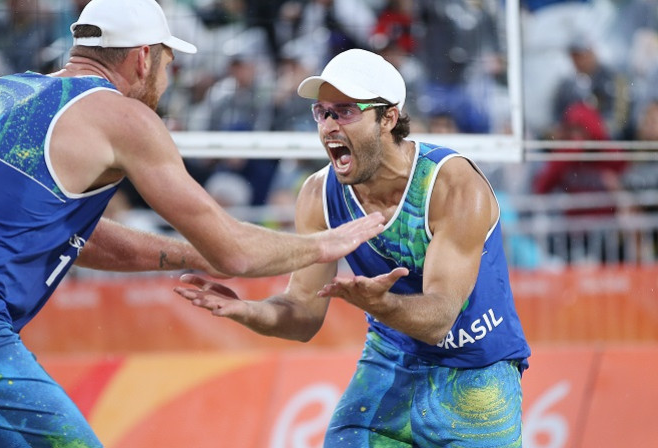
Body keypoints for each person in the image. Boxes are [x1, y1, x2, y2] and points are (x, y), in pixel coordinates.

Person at [0, 0, 386, 446]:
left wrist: (185, 253)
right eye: (167, 62)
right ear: (142, 58)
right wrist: (324, 244)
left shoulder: (2, 92)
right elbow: (236, 253)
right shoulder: (122, 117)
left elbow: (73, 237)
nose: (169, 76)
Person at [175, 48, 531, 447]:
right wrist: (248, 311)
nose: (328, 126)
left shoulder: (451, 184)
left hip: (476, 373)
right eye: (322, 112)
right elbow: (303, 315)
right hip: (390, 362)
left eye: (344, 112)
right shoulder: (316, 195)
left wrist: (378, 304)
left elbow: (439, 319)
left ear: (388, 117)